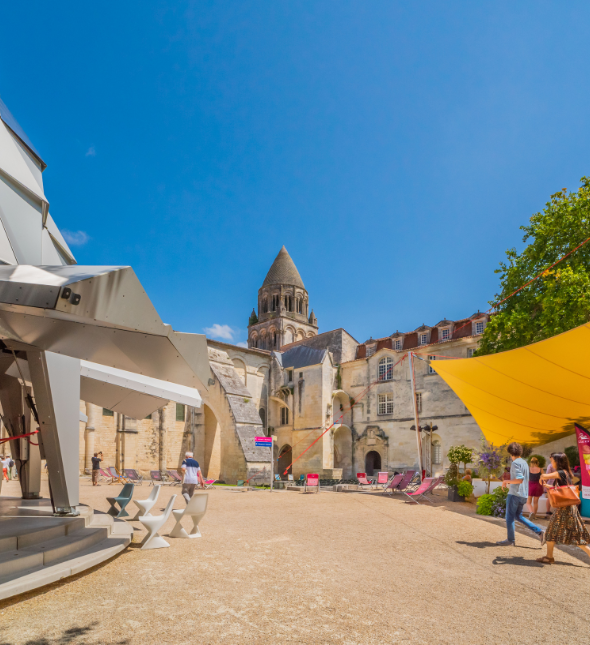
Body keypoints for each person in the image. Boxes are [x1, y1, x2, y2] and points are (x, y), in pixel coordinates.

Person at [536, 453, 590, 564]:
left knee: (554, 531)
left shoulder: (561, 472)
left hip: (565, 509)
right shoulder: (566, 473)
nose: (551, 464)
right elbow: (562, 489)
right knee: (568, 534)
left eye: (552, 461)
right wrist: (549, 487)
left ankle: (549, 557)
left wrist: (541, 472)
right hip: (568, 508)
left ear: (558, 462)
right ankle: (549, 557)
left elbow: (544, 476)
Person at [496, 442, 544, 546]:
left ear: (510, 453)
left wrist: (505, 481)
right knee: (518, 516)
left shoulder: (515, 463)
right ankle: (539, 532)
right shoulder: (525, 463)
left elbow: (519, 479)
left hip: (515, 494)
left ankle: (510, 540)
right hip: (523, 495)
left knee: (509, 518)